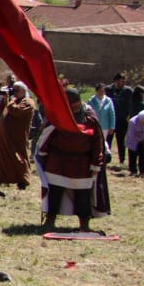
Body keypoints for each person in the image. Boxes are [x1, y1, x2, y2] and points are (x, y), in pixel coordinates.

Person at [34, 88, 106, 233]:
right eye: (71, 104)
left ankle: (84, 224)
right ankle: (50, 220)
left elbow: (97, 141)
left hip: (82, 164)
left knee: (83, 197)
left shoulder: (89, 118)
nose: (75, 107)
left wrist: (95, 162)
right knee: (55, 193)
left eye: (76, 103)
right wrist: (42, 153)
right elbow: (46, 137)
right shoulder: (58, 117)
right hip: (58, 162)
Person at [0, 81, 35, 189]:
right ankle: (3, 179)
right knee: (3, 157)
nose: (14, 92)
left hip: (18, 136)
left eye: (17, 90)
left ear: (24, 91)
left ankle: (23, 180)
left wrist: (10, 100)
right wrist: (4, 99)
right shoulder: (13, 100)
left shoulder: (28, 102)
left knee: (19, 157)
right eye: (13, 90)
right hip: (5, 135)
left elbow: (16, 111)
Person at [108, 75, 133, 168]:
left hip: (122, 120)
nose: (123, 83)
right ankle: (107, 158)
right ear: (116, 81)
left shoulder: (128, 91)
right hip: (110, 120)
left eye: (124, 81)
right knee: (108, 139)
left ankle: (122, 160)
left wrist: (129, 114)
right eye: (122, 81)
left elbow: (132, 103)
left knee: (121, 141)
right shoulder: (108, 90)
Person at [124, 108, 144, 177]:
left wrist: (143, 135)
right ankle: (133, 171)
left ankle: (142, 171)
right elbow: (131, 134)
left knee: (143, 156)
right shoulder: (132, 122)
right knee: (132, 156)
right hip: (133, 142)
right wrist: (141, 137)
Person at [88, 83, 116, 157]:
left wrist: (112, 126)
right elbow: (88, 113)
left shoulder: (108, 100)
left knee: (103, 141)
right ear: (96, 91)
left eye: (103, 91)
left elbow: (112, 113)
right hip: (94, 125)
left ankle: (104, 155)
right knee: (96, 141)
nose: (102, 92)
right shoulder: (91, 100)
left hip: (105, 126)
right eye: (100, 91)